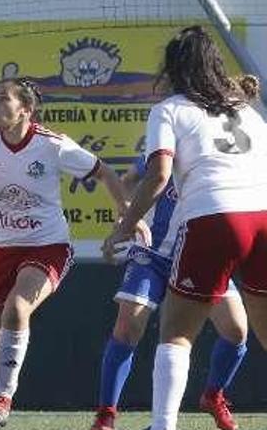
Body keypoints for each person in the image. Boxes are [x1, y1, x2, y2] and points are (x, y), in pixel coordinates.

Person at [0, 77, 144, 430]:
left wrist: (125, 213)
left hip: (48, 246)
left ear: (26, 110)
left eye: (4, 99)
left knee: (17, 308)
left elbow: (105, 172)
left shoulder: (52, 144)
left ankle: (3, 399)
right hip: (1, 248)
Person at [103, 25, 267, 430]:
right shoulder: (246, 111)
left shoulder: (171, 108)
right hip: (263, 217)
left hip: (214, 217)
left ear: (174, 69)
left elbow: (158, 175)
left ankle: (163, 426)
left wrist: (123, 227)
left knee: (176, 334)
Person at [90, 155, 248, 430]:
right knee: (128, 326)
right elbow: (128, 179)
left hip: (200, 257)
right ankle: (106, 414)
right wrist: (127, 216)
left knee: (236, 331)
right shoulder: (170, 146)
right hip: (152, 253)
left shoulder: (228, 155)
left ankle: (213, 396)